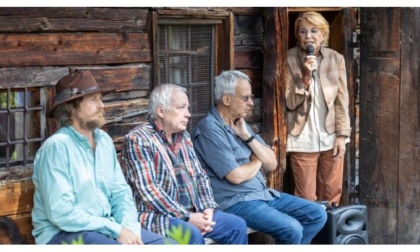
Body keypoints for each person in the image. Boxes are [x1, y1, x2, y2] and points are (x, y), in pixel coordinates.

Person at [32, 70, 175, 245]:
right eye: (93, 100)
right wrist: (115, 230)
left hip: (104, 229)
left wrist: (130, 229)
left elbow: (120, 193)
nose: (102, 105)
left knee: (165, 245)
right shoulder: (57, 147)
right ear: (73, 109)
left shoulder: (104, 141)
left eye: (100, 98)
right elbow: (62, 213)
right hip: (62, 234)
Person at [192, 70, 327, 244]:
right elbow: (235, 176)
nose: (250, 103)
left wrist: (246, 137)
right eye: (245, 98)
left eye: (251, 97)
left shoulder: (240, 124)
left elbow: (271, 163)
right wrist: (256, 160)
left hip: (263, 195)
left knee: (317, 214)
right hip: (236, 202)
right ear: (226, 99)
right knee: (292, 228)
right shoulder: (209, 129)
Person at [121, 84, 248, 245]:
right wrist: (186, 217)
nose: (188, 114)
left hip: (193, 211)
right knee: (192, 234)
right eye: (181, 108)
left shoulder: (184, 136)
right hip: (158, 217)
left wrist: (208, 208)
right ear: (161, 111)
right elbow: (148, 190)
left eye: (188, 108)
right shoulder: (139, 139)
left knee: (236, 226)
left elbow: (200, 175)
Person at [285, 12, 351, 206]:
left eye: (314, 31)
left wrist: (342, 136)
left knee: (332, 196)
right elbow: (289, 102)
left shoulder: (335, 59)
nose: (308, 36)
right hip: (302, 137)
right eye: (303, 31)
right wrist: (305, 76)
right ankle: (309, 237)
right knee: (306, 199)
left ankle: (328, 237)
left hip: (331, 136)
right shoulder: (289, 58)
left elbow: (342, 100)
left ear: (323, 33)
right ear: (297, 35)